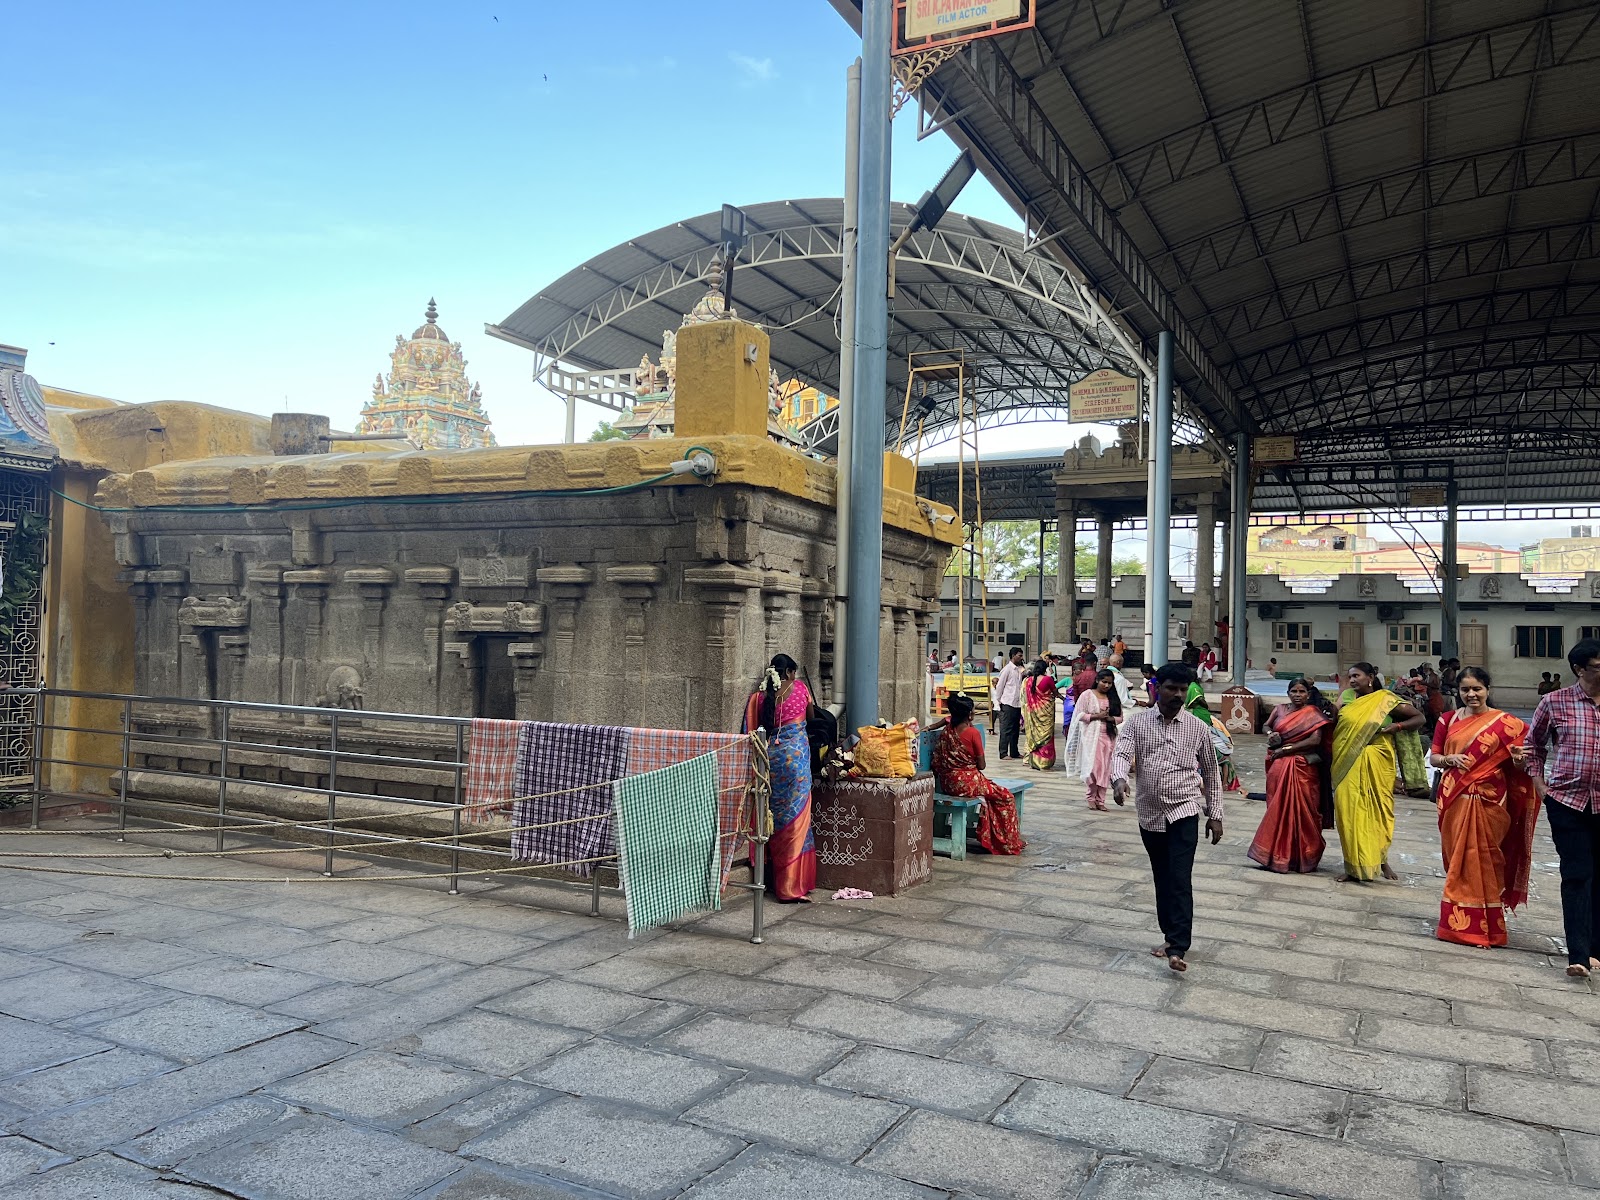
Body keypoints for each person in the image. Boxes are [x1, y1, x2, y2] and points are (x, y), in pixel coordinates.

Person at [1111, 662, 1224, 973]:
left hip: (1185, 809)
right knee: (1162, 875)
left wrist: (1215, 814)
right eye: (1171, 688)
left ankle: (1178, 945)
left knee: (1179, 877)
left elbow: (1212, 773)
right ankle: (1169, 935)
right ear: (1157, 689)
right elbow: (1121, 753)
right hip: (1150, 812)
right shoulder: (1138, 724)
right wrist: (1119, 779)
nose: (1177, 694)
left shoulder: (1198, 727)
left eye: (1182, 689)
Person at [1430, 666, 1537, 949]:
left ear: (1488, 689)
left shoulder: (1508, 724)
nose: (1471, 694)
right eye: (1465, 689)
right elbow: (1435, 758)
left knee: (1486, 859)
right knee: (1458, 860)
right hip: (1454, 798)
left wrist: (1517, 759)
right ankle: (1458, 925)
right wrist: (1450, 760)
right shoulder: (1447, 719)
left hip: (1490, 801)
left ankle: (1488, 927)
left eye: (1477, 688)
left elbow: (1522, 767)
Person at [1525, 637, 1600, 977]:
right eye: (1598, 668)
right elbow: (1533, 747)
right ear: (1579, 669)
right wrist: (1542, 788)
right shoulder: (1554, 703)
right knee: (1577, 874)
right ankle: (1579, 955)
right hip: (1568, 802)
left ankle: (1597, 948)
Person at [1331, 661, 1424, 883]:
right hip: (1347, 760)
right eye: (1350, 676)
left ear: (1371, 676)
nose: (1352, 680)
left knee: (1378, 810)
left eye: (1357, 676)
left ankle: (1382, 860)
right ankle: (1352, 865)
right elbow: (1332, 724)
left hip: (1378, 758)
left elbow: (1419, 718)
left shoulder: (1386, 699)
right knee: (1348, 811)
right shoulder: (1345, 698)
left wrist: (1397, 727)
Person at [742, 654, 817, 902]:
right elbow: (812, 717)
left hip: (770, 764)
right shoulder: (799, 688)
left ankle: (772, 880)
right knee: (796, 822)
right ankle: (790, 886)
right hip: (795, 764)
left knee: (772, 820)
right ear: (790, 673)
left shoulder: (760, 698)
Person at [1248, 678, 1335, 873]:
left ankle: (1302, 856)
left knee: (1304, 811)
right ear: (1288, 693)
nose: (1297, 695)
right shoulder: (1279, 709)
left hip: (1302, 766)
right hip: (1278, 765)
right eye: (1294, 691)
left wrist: (1287, 750)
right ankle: (1274, 855)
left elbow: (1315, 740)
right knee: (1277, 808)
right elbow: (1266, 726)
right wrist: (1270, 733)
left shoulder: (1313, 714)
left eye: (1302, 691)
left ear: (1308, 694)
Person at [932, 693, 1026, 855]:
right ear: (969, 714)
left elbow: (938, 760)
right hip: (969, 784)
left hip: (948, 783)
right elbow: (982, 765)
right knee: (1006, 797)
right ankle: (1006, 841)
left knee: (990, 796)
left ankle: (991, 836)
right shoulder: (972, 733)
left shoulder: (948, 731)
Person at [1064, 668, 1123, 809]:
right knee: (1093, 768)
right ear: (1097, 680)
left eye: (1109, 683)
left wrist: (1109, 718)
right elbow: (1078, 715)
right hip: (1091, 737)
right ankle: (1090, 796)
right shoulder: (1087, 695)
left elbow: (1120, 718)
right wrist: (1096, 716)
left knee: (1105, 769)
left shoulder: (1113, 697)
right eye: (1104, 682)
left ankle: (1101, 800)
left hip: (1108, 737)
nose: (1107, 685)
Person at [1185, 680, 1242, 793]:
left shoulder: (1197, 715)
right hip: (1219, 745)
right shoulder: (1201, 713)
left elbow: (1225, 762)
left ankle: (1217, 783)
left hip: (1221, 747)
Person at [1022, 659, 1060, 770]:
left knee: (1035, 735)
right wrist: (1063, 698)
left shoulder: (1028, 680)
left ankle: (1033, 761)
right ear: (1045, 669)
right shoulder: (1048, 679)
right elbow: (1055, 693)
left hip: (1033, 714)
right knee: (1046, 736)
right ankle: (1044, 762)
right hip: (1046, 713)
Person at [994, 647, 1026, 761]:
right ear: (1013, 656)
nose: (1021, 658)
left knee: (1015, 729)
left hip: (1017, 703)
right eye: (1019, 656)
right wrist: (999, 702)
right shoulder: (1007, 669)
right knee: (1006, 729)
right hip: (1007, 703)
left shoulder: (1019, 670)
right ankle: (1003, 752)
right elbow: (999, 686)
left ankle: (1014, 751)